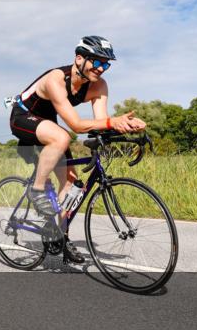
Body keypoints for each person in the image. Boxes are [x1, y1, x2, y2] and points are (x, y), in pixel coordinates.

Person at [9, 35, 146, 263]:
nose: (102, 69)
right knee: (63, 136)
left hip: (48, 122)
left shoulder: (98, 86)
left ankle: (59, 236)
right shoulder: (56, 79)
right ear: (79, 58)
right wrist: (113, 122)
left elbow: (100, 122)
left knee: (72, 184)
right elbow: (76, 126)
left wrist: (125, 127)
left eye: (106, 64)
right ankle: (37, 188)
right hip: (23, 116)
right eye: (97, 62)